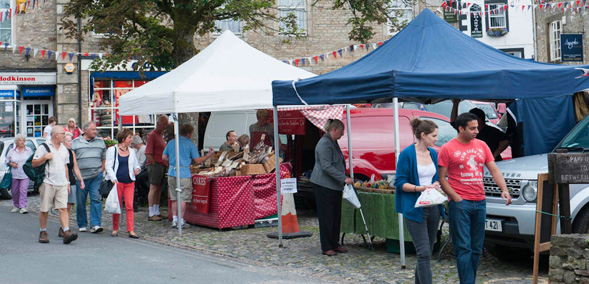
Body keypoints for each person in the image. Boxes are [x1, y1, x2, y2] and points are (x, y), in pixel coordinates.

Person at [438, 113, 512, 284]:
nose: (476, 131)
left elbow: (494, 169)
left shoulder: (482, 145)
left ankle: (469, 280)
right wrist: (456, 198)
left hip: (480, 201)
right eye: (472, 128)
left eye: (477, 127)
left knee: (477, 248)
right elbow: (442, 178)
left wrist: (504, 189)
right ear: (461, 128)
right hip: (460, 203)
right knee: (463, 247)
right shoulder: (448, 148)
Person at [394, 119, 444, 284]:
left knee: (427, 253)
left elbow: (435, 177)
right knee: (423, 253)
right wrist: (419, 188)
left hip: (433, 207)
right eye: (434, 136)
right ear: (423, 135)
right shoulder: (407, 154)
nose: (436, 139)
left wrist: (435, 184)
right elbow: (400, 183)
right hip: (414, 208)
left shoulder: (433, 153)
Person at [310, 119, 353, 256]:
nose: (342, 134)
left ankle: (335, 243)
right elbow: (327, 166)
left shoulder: (332, 142)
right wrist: (344, 178)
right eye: (341, 132)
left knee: (335, 215)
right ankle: (327, 246)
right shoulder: (325, 144)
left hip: (333, 186)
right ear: (334, 129)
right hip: (324, 185)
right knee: (326, 216)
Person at [163, 124, 214, 229]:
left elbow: (163, 157)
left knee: (174, 198)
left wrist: (173, 162)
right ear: (188, 133)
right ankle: (181, 221)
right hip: (184, 173)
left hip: (172, 172)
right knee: (183, 198)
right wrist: (209, 155)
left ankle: (174, 220)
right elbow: (198, 160)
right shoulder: (189, 144)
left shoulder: (172, 142)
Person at [33, 126, 78, 244]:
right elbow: (34, 163)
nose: (66, 135)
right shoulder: (44, 147)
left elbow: (65, 167)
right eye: (63, 133)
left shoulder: (64, 149)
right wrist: (44, 157)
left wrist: (67, 182)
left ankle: (66, 231)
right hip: (48, 182)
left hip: (62, 183)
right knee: (44, 209)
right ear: (56, 135)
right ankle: (43, 231)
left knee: (63, 208)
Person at [105, 129, 141, 238]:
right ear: (123, 138)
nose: (131, 140)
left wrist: (137, 169)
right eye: (129, 137)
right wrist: (113, 178)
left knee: (129, 206)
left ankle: (131, 229)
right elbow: (108, 166)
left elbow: (136, 164)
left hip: (129, 181)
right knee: (117, 205)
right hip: (118, 181)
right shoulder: (112, 150)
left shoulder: (132, 151)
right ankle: (115, 228)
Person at [72, 121, 106, 233]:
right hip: (81, 177)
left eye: (96, 129)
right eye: (93, 129)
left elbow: (104, 157)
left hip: (96, 175)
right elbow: (72, 160)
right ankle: (82, 223)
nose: (95, 131)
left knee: (95, 199)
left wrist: (102, 169)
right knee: (81, 201)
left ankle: (95, 224)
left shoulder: (100, 143)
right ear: (85, 130)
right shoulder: (75, 143)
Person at [145, 115, 169, 221]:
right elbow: (148, 152)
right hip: (156, 164)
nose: (165, 127)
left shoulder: (160, 135)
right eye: (164, 124)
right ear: (158, 124)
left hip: (161, 164)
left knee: (158, 189)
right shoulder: (153, 135)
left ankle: (156, 211)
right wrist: (154, 163)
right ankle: (151, 213)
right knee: (153, 188)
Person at [6, 134, 33, 214]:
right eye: (20, 140)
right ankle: (16, 205)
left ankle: (23, 206)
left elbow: (32, 160)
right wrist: (11, 164)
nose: (22, 142)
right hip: (15, 173)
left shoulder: (28, 150)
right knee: (14, 191)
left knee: (23, 190)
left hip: (25, 173)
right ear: (16, 142)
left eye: (23, 140)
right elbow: (6, 160)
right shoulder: (12, 151)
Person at [64, 132, 85, 215]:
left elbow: (75, 167)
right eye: (68, 141)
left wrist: (81, 180)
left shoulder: (71, 153)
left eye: (71, 141)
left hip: (71, 179)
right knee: (62, 205)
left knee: (69, 204)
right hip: (61, 180)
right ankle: (63, 225)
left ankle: (65, 225)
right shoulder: (59, 152)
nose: (70, 143)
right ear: (63, 141)